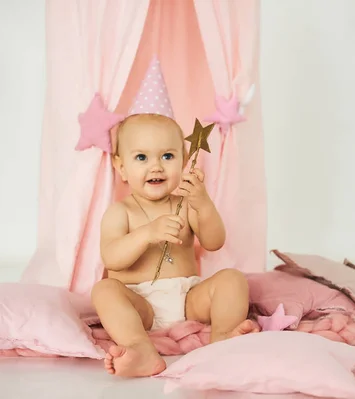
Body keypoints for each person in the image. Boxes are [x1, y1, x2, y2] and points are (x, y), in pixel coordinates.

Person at [91, 113, 259, 377]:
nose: (156, 167)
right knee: (104, 291)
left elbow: (214, 242)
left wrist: (202, 203)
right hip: (139, 304)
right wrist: (146, 233)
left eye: (167, 156)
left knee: (232, 279)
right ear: (121, 167)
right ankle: (140, 348)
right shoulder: (120, 212)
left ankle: (223, 338)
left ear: (183, 160)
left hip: (188, 299)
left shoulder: (185, 204)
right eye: (142, 158)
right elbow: (112, 258)